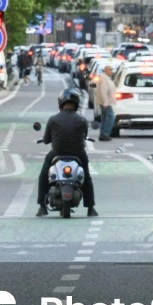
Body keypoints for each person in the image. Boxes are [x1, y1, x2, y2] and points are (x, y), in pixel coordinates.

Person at [36, 88, 97, 217]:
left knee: (43, 176)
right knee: (87, 177)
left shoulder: (53, 119)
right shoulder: (82, 120)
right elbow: (85, 135)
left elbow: (46, 140)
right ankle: (91, 208)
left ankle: (42, 206)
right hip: (78, 154)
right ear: (76, 103)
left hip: (57, 153)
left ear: (61, 103)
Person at [94, 64, 117, 141]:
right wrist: (105, 102)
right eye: (110, 70)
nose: (112, 72)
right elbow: (103, 91)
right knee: (111, 117)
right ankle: (105, 133)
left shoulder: (106, 78)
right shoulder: (104, 78)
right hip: (106, 102)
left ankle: (103, 134)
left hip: (106, 101)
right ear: (106, 70)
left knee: (104, 118)